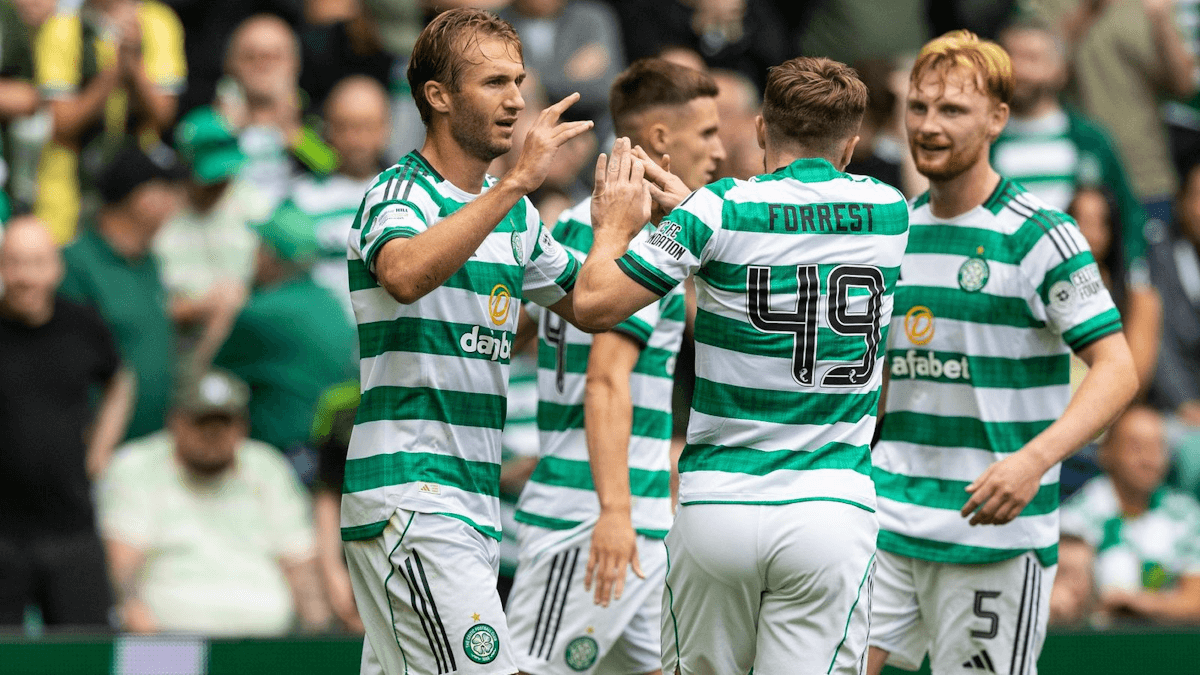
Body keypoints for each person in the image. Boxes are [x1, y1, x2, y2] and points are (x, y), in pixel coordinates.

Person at [573, 57, 910, 674]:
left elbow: (594, 305)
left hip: (719, 507)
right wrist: (695, 219)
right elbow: (786, 236)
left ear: (760, 129)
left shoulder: (717, 209)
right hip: (830, 511)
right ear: (852, 143)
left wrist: (612, 227)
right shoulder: (891, 210)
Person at [338, 9, 602, 675]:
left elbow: (593, 304)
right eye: (494, 83)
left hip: (469, 503)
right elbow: (403, 274)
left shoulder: (513, 216)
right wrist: (515, 182)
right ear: (438, 95)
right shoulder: (398, 192)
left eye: (518, 82)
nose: (516, 100)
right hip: (412, 496)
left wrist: (671, 229)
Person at [867, 31, 1137, 675]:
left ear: (997, 119)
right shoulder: (895, 232)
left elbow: (1118, 368)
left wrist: (1033, 461)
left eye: (952, 110)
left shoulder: (1041, 235)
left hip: (995, 534)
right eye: (919, 107)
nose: (929, 125)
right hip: (888, 520)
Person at [507, 58, 717, 675]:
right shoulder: (638, 242)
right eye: (706, 132)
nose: (719, 149)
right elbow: (605, 379)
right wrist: (614, 513)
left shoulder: (576, 227)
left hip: (635, 517)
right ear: (660, 138)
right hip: (592, 521)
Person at [98, 367, 327, 635]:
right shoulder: (136, 466)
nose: (212, 434)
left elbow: (301, 564)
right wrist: (134, 618)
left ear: (242, 427)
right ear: (175, 422)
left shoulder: (267, 467)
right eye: (201, 422)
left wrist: (317, 634)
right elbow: (121, 566)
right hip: (168, 639)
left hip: (264, 641)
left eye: (223, 423)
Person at [0, 216, 133, 628]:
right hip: (2, 532)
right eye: (14, 262)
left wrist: (101, 449)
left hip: (71, 523)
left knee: (85, 649)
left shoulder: (83, 325)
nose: (25, 277)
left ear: (56, 268)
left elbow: (121, 381)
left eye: (36, 263)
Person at [991, 18, 1148, 274]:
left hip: (1078, 275)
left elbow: (1127, 214)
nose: (1017, 69)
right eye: (1009, 57)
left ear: (1060, 70)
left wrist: (1135, 276)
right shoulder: (983, 139)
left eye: (1031, 58)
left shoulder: (1090, 139)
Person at [212, 200, 357, 464]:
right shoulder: (330, 302)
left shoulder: (261, 312)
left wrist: (222, 312)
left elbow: (211, 372)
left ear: (269, 256)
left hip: (285, 453)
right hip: (333, 451)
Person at [33, 0, 186, 242]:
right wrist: (112, 72)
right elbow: (62, 123)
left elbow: (164, 114)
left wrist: (133, 62)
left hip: (136, 189)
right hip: (70, 191)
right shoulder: (62, 24)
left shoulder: (158, 21)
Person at [60, 142, 184, 442]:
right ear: (138, 197)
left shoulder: (150, 263)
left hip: (154, 445)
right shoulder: (75, 264)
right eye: (167, 189)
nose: (178, 200)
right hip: (98, 444)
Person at [1059, 407, 1200, 624]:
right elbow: (1065, 603)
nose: (1148, 459)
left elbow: (1195, 601)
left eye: (1157, 447)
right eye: (1136, 448)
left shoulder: (1186, 515)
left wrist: (1138, 604)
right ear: (1106, 453)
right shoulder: (1074, 520)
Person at [156, 105, 267, 360]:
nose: (221, 183)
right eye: (212, 177)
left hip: (247, 337)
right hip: (176, 340)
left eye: (226, 174)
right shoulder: (161, 215)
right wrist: (196, 308)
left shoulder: (253, 204)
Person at [210, 14, 336, 209]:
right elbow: (203, 177)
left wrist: (293, 132)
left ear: (295, 63)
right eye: (250, 57)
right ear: (230, 64)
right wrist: (225, 131)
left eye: (273, 57)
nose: (263, 66)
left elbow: (331, 169)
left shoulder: (314, 118)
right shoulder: (211, 121)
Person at [290, 75, 391, 316]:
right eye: (345, 127)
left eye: (367, 126)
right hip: (318, 325)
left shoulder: (407, 196)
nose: (357, 140)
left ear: (386, 129)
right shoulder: (300, 197)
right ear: (327, 129)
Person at [1150, 163, 1200, 424]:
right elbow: (1160, 342)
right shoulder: (1159, 253)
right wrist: (1185, 403)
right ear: (1181, 202)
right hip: (1177, 411)